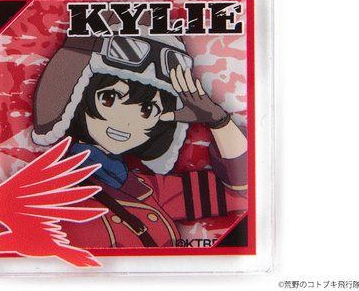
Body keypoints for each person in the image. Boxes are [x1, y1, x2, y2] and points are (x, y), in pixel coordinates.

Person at [30, 17, 248, 248]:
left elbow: (244, 191)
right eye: (109, 98)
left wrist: (218, 121)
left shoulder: (148, 189)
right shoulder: (49, 192)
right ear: (76, 97)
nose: (126, 122)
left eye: (147, 110)